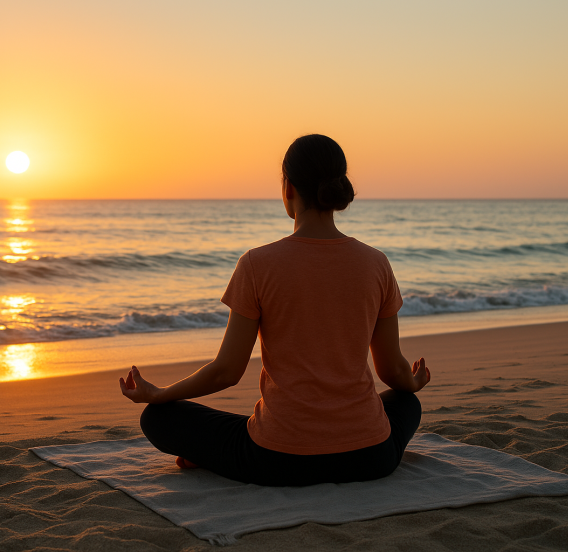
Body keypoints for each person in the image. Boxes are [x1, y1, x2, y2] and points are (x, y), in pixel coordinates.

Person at [119, 134, 430, 487]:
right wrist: (413, 382)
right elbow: (392, 370)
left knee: (157, 419)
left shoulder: (257, 264)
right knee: (407, 403)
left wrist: (158, 394)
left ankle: (209, 455)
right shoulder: (376, 264)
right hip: (371, 457)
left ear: (288, 188)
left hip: (277, 460)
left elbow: (226, 372)